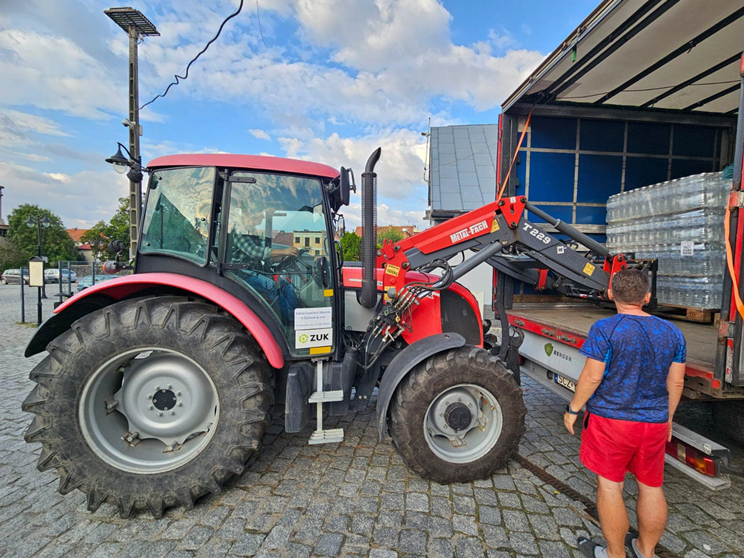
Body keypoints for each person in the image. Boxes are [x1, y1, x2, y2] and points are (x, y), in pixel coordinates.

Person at [563, 269, 686, 558]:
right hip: (654, 423)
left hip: (611, 422)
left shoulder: (605, 329)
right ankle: (646, 550)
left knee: (610, 487)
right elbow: (676, 381)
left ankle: (615, 553)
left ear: (610, 295)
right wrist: (667, 418)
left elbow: (592, 377)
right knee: (652, 486)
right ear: (647, 297)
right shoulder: (672, 332)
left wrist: (573, 409)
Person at [229, 205, 300, 323]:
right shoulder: (237, 231)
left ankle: (299, 315)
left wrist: (282, 258)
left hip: (252, 271)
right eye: (260, 213)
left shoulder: (251, 233)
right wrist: (284, 251)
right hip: (239, 273)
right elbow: (254, 252)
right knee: (272, 286)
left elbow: (264, 257)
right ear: (250, 214)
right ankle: (287, 322)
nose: (262, 216)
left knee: (283, 284)